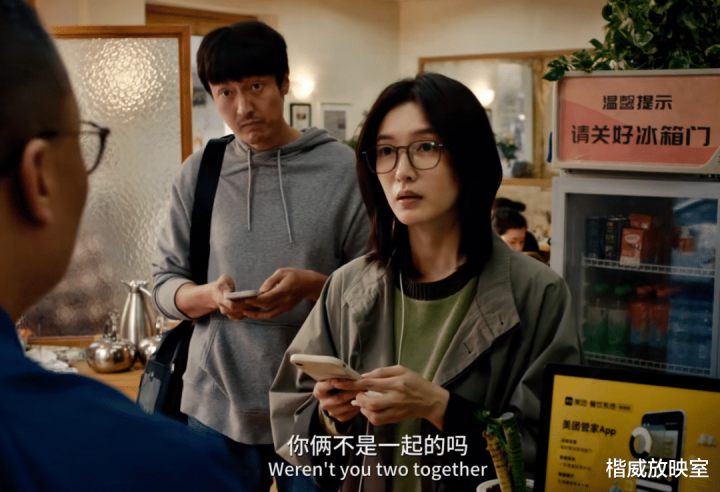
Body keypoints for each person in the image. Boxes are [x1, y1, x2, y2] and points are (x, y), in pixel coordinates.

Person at [270, 72, 582, 491]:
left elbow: (557, 454)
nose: (402, 172)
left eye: (425, 147)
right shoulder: (346, 288)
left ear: (469, 157)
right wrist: (333, 418)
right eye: (386, 151)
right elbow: (292, 425)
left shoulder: (537, 294)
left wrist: (442, 409)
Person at [0, 1, 243, 490]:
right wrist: (206, 295)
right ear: (40, 177)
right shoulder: (159, 466)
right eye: (83, 141)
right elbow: (164, 281)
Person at [151, 21, 368, 492]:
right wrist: (210, 296)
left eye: (255, 87)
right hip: (214, 405)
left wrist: (313, 287)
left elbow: (377, 291)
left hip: (317, 407)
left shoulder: (344, 171)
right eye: (225, 92)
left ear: (284, 83)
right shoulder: (201, 172)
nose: (243, 107)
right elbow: (163, 285)